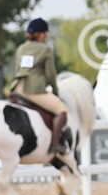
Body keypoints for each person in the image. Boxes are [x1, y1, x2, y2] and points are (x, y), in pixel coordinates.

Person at [12, 18, 69, 153]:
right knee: (62, 110)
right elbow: (51, 74)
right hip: (33, 90)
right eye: (45, 33)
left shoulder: (21, 48)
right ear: (40, 34)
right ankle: (55, 144)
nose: (46, 36)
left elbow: (18, 69)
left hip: (17, 87)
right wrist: (55, 91)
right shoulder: (45, 49)